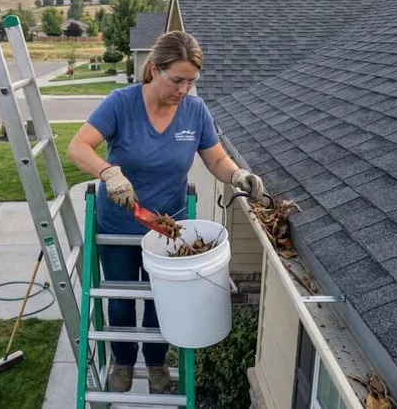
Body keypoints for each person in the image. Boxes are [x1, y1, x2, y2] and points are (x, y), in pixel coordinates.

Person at [66, 31, 264, 393]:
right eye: (177, 80)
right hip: (120, 227)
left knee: (163, 302)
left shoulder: (195, 111)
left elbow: (216, 158)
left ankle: (156, 363)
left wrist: (237, 174)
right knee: (123, 300)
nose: (184, 89)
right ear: (154, 69)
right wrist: (108, 172)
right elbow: (78, 147)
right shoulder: (121, 104)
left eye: (191, 81)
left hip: (167, 232)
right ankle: (123, 362)